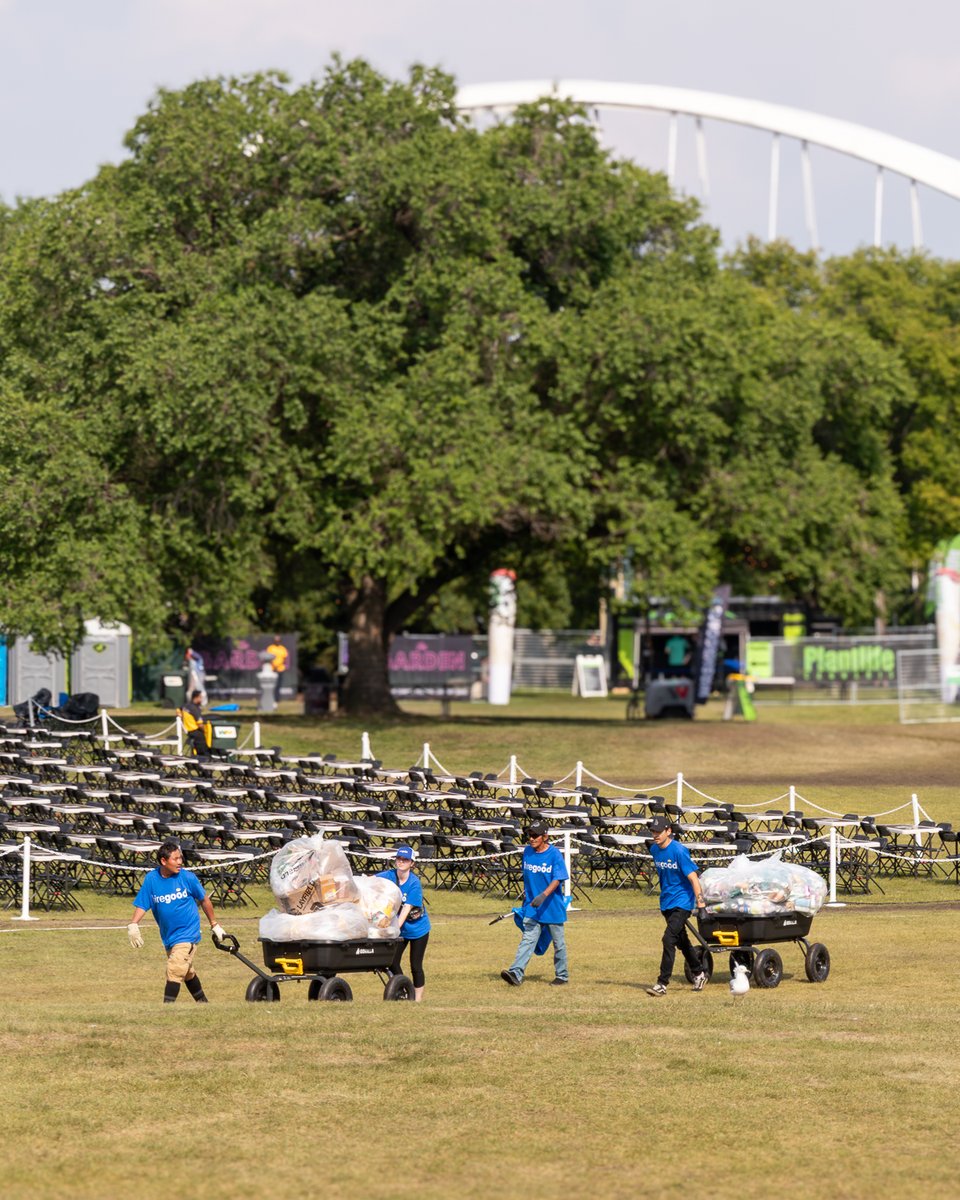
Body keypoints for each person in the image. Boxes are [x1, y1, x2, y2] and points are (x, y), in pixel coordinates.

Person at [127, 840, 226, 1003]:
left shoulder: (187, 877)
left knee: (174, 968)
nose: (180, 862)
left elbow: (204, 900)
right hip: (169, 937)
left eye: (180, 858)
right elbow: (143, 903)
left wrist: (214, 924)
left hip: (188, 934)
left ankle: (167, 1010)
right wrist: (133, 924)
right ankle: (204, 1004)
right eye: (175, 859)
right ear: (163, 861)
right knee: (187, 972)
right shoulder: (152, 879)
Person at [644, 813, 708, 996]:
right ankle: (698, 972)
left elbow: (694, 879)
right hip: (666, 902)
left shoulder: (679, 851)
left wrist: (701, 906)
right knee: (682, 941)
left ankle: (662, 983)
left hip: (682, 903)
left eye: (659, 831)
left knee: (668, 939)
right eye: (653, 831)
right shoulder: (655, 850)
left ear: (669, 831)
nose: (655, 835)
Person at [501, 821, 569, 987]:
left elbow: (558, 878)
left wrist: (543, 895)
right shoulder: (527, 852)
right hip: (532, 907)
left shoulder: (554, 855)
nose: (531, 839)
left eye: (535, 835)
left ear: (545, 837)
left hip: (551, 907)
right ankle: (516, 973)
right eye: (529, 835)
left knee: (558, 943)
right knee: (528, 940)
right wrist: (528, 899)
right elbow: (528, 879)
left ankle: (562, 976)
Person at [377, 845, 430, 1001]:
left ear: (412, 863)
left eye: (405, 860)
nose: (401, 862)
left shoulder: (414, 883)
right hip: (401, 929)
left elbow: (406, 910)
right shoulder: (389, 875)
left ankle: (417, 1000)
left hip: (418, 930)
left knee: (416, 965)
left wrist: (392, 931)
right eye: (399, 858)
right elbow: (371, 880)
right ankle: (404, 988)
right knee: (392, 961)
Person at [180, 689, 209, 758]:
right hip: (195, 731)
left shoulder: (186, 706)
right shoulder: (194, 708)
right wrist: (206, 731)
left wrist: (179, 715)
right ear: (196, 697)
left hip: (188, 730)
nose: (201, 699)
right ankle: (204, 758)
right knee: (204, 745)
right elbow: (200, 724)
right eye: (201, 697)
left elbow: (179, 710)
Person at [265, 635, 289, 700]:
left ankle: (277, 699)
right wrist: (274, 665)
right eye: (276, 640)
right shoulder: (270, 648)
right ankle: (270, 698)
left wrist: (282, 665)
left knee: (278, 685)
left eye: (278, 640)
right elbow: (268, 657)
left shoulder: (283, 648)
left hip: (280, 669)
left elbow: (285, 658)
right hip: (272, 669)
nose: (277, 642)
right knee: (271, 685)